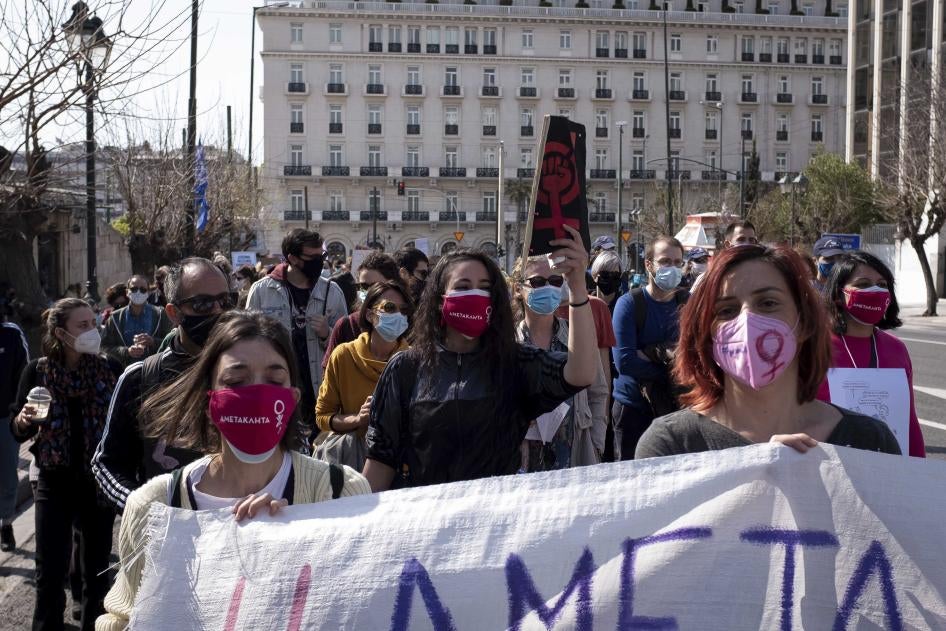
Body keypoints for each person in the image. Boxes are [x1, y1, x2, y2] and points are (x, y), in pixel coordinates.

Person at [95, 311, 370, 631]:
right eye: (236, 381)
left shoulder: (341, 492)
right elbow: (122, 620)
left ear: (292, 398)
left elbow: (363, 610)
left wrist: (293, 548)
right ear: (209, 398)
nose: (256, 395)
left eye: (274, 380)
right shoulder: (152, 508)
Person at [362, 226, 599, 492]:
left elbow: (581, 373)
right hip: (429, 520)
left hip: (496, 521)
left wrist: (578, 287)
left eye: (484, 288)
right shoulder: (406, 369)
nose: (475, 295)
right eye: (463, 287)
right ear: (440, 300)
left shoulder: (516, 363)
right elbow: (381, 461)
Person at [636, 245, 901, 459]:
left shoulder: (869, 441)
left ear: (804, 322)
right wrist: (757, 473)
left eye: (768, 303)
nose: (748, 320)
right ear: (706, 334)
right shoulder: (671, 445)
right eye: (726, 310)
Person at [11, 298, 122, 630]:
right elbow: (19, 431)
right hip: (53, 479)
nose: (93, 330)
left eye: (94, 323)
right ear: (61, 333)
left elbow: (123, 426)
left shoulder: (109, 368)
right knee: (50, 572)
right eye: (83, 325)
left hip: (97, 482)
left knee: (97, 571)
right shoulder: (38, 372)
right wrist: (23, 420)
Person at [92, 258, 234, 511]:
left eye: (225, 301)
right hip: (167, 539)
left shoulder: (254, 373)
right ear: (174, 313)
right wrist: (144, 509)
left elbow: (289, 449)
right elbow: (107, 464)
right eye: (202, 304)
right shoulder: (141, 379)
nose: (217, 311)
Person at [817, 251, 926, 457]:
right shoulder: (813, 347)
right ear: (839, 295)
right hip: (828, 466)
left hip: (887, 468)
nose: (875, 290)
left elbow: (909, 420)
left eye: (882, 285)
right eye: (863, 284)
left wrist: (919, 470)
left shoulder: (897, 349)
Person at [246, 229, 347, 439]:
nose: (319, 262)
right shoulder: (262, 291)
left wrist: (327, 334)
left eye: (322, 256)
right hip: (277, 391)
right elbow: (246, 342)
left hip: (320, 392)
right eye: (313, 257)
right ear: (292, 258)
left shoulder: (332, 291)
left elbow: (346, 346)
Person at [513, 256, 608, 471]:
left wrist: (596, 443)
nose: (548, 288)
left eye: (556, 281)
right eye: (537, 282)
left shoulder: (578, 335)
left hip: (573, 457)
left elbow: (598, 391)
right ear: (519, 289)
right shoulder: (508, 342)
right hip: (522, 463)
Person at [315, 281, 412, 470]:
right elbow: (323, 417)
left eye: (404, 310)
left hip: (401, 466)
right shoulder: (343, 355)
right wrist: (358, 419)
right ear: (369, 314)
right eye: (390, 308)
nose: (398, 315)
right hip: (354, 464)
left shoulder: (414, 361)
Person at [611, 236, 689, 460]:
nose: (672, 268)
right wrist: (673, 366)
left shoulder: (687, 303)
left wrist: (648, 354)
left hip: (676, 410)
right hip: (633, 410)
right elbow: (625, 362)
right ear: (649, 265)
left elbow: (697, 354)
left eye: (677, 263)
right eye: (665, 262)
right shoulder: (629, 304)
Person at [321, 251, 400, 372]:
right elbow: (329, 374)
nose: (369, 292)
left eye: (375, 286)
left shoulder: (408, 323)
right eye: (363, 287)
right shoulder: (346, 325)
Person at [0, 302, 28, 551]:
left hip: (4, 419)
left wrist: (17, 409)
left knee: (8, 474)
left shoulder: (11, 334)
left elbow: (24, 372)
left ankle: (6, 523)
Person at [101, 275, 173, 368]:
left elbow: (172, 342)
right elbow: (104, 346)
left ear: (148, 293)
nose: (138, 292)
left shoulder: (160, 314)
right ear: (127, 292)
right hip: (125, 371)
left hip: (154, 370)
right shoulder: (115, 318)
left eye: (143, 290)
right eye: (134, 289)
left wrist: (153, 342)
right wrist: (127, 351)